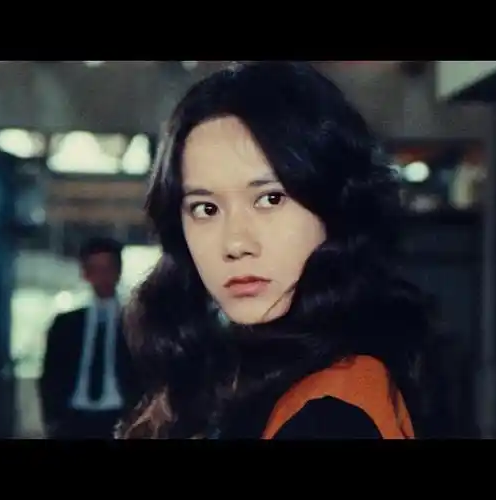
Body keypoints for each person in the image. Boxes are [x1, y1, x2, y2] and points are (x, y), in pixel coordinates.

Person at [116, 61, 450, 439]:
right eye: (205, 208)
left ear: (334, 204)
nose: (235, 243)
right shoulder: (246, 373)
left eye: (270, 199)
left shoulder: (331, 411)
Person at [40, 237, 140, 439]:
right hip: (74, 419)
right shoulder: (66, 324)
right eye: (95, 269)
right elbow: (50, 376)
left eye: (108, 268)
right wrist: (53, 419)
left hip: (120, 416)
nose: (102, 277)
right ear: (85, 273)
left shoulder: (135, 323)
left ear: (119, 272)